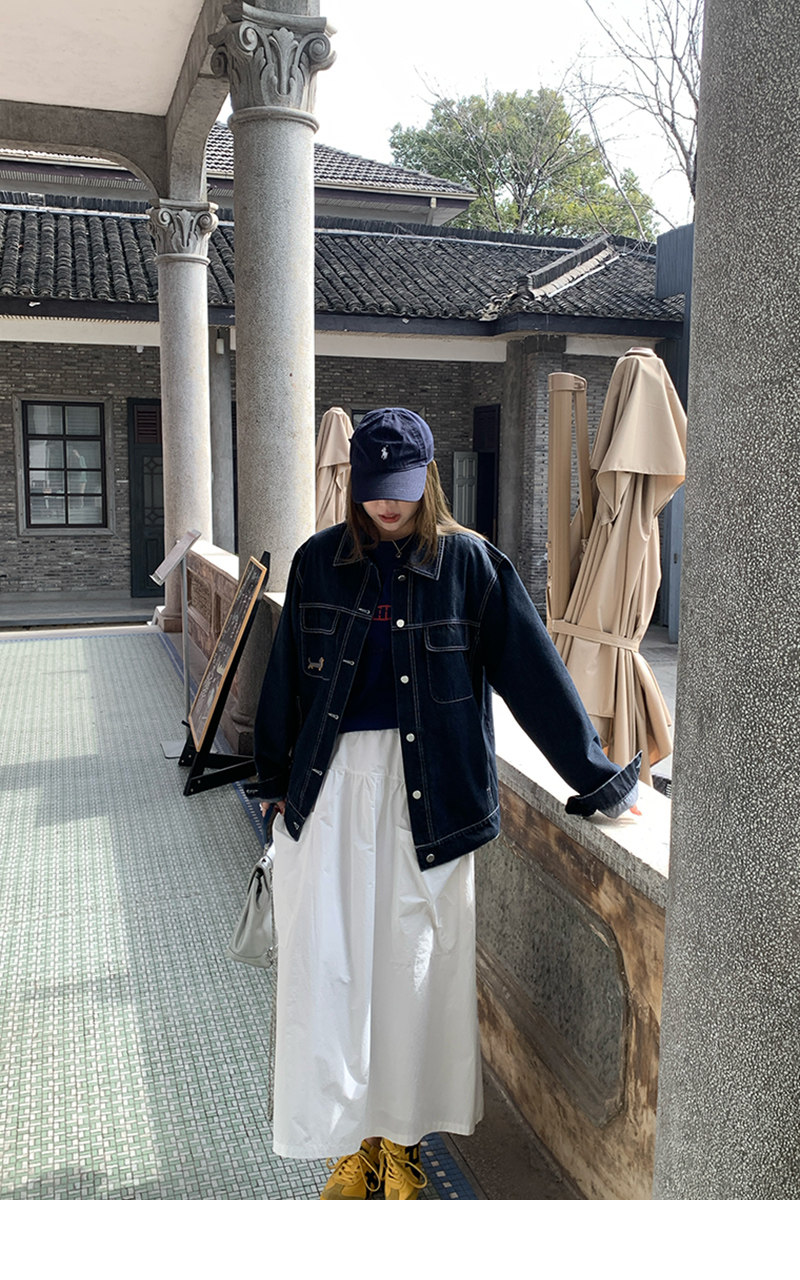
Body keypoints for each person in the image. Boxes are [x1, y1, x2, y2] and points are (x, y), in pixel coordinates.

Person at [253, 407, 640, 1200]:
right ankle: (349, 1146)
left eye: (399, 488)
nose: (385, 504)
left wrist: (597, 780)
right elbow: (284, 682)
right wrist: (271, 786)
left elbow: (536, 678)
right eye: (372, 488)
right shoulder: (319, 561)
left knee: (413, 980)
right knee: (329, 977)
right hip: (328, 798)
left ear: (428, 480)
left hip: (431, 807)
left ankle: (401, 1147)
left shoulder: (472, 565)